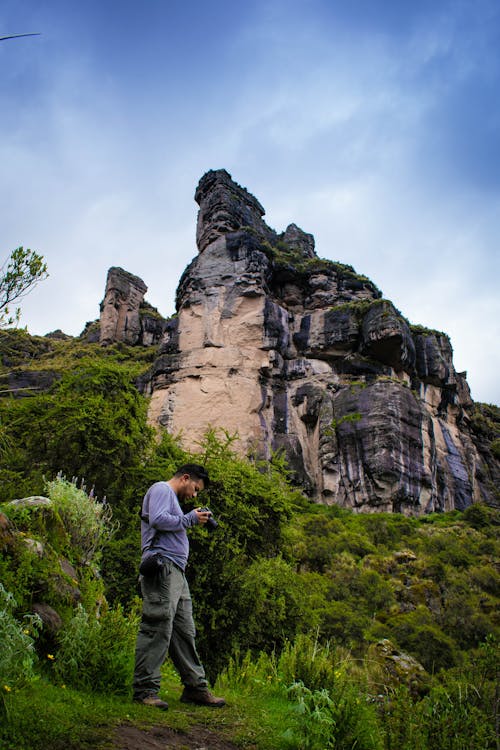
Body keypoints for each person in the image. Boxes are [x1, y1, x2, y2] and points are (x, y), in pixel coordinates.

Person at [132, 463, 225, 710]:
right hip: (162, 567)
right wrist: (190, 519)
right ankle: (145, 690)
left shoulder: (171, 498)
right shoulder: (161, 489)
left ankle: (196, 688)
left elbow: (170, 521)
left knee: (184, 631)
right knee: (157, 625)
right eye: (195, 488)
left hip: (176, 573)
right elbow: (160, 520)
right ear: (185, 478)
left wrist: (187, 519)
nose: (194, 495)